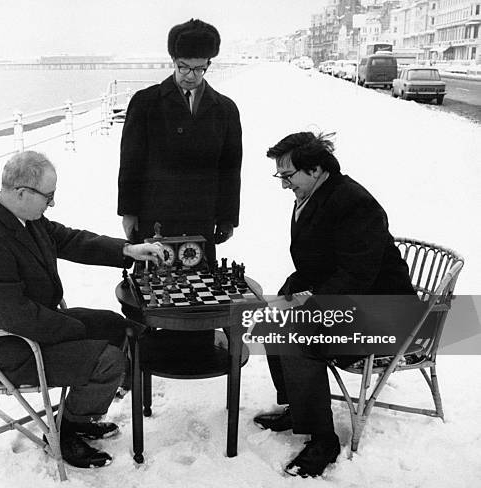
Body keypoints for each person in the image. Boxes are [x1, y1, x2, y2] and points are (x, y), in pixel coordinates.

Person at [0, 150, 164, 469]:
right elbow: (19, 318)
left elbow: (71, 240)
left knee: (116, 326)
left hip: (36, 326)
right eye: (49, 196)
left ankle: (79, 415)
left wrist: (127, 251)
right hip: (9, 347)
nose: (52, 203)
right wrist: (76, 331)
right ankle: (63, 431)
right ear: (21, 193)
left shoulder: (26, 218)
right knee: (108, 361)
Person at [253, 132, 418, 478]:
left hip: (386, 318)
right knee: (272, 319)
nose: (283, 185)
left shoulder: (354, 203)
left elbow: (357, 275)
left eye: (288, 176)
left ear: (314, 169)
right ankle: (299, 408)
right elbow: (315, 266)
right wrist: (286, 296)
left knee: (298, 337)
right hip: (353, 302)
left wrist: (309, 306)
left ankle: (323, 441)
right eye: (279, 176)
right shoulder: (314, 196)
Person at [117, 18, 242, 265]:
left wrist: (227, 218)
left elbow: (230, 168)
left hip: (202, 215)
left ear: (209, 64)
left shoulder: (225, 109)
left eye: (199, 69)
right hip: (156, 213)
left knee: (201, 286)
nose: (190, 76)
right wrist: (128, 212)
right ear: (173, 61)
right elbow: (131, 162)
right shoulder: (145, 103)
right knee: (153, 286)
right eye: (183, 67)